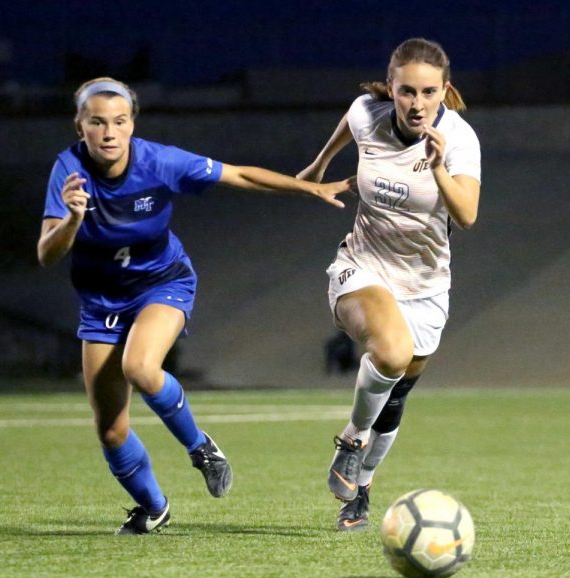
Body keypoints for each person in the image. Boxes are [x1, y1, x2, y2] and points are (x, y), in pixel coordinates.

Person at [37, 77, 349, 535]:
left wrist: (308, 188)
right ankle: (154, 507)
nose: (109, 132)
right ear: (79, 125)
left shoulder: (158, 161)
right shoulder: (68, 171)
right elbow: (47, 253)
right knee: (110, 430)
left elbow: (238, 174)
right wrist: (73, 218)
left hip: (163, 283)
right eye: (97, 122)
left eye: (119, 122)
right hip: (101, 300)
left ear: (132, 125)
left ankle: (201, 447)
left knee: (140, 367)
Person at [297, 38, 481, 532]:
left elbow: (465, 215)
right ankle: (352, 440)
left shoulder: (459, 139)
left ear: (444, 90)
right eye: (406, 92)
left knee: (397, 394)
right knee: (392, 354)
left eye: (427, 92)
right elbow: (351, 121)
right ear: (392, 88)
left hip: (426, 282)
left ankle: (363, 485)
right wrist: (318, 166)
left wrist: (438, 166)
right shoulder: (367, 113)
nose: (416, 103)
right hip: (362, 266)